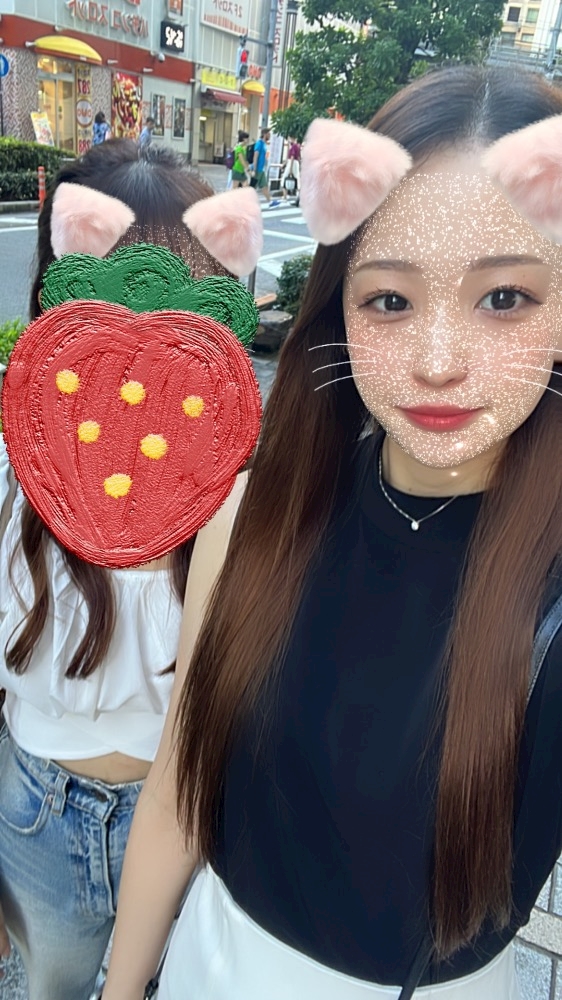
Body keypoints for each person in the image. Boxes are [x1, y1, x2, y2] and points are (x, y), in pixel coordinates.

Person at [103, 64, 562, 1000]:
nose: (438, 363)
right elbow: (180, 790)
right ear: (338, 309)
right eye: (390, 299)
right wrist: (120, 988)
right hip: (206, 966)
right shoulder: (257, 517)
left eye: (504, 297)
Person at [0, 140, 252, 1000]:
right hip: (34, 814)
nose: (139, 353)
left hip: (188, 826)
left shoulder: (236, 501)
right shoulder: (12, 484)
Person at [251, 127, 281, 207]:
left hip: (261, 169)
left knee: (264, 186)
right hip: (257, 169)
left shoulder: (264, 144)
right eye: (268, 134)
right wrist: (254, 169)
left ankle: (270, 202)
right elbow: (255, 156)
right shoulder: (259, 143)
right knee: (252, 188)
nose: (270, 135)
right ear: (264, 134)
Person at [281, 134, 301, 200]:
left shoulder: (293, 146)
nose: (288, 140)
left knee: (284, 178)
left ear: (292, 138)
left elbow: (292, 157)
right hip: (296, 163)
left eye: (289, 138)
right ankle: (299, 196)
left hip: (292, 163)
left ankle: (285, 196)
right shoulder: (298, 146)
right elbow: (299, 157)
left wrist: (290, 169)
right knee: (297, 179)